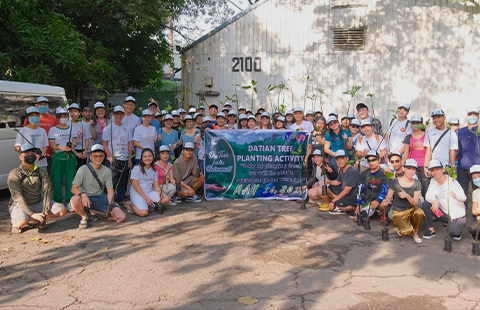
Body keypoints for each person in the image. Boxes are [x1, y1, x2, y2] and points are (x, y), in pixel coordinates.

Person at [8, 143, 67, 234]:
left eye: (32, 153)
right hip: (19, 205)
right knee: (23, 222)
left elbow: (47, 191)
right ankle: (17, 222)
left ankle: (37, 218)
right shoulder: (15, 173)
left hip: (37, 202)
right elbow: (17, 196)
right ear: (21, 157)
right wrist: (31, 213)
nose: (30, 155)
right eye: (26, 154)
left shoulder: (41, 171)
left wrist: (45, 210)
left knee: (62, 210)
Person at [70, 144, 126, 228]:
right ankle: (84, 216)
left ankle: (96, 211)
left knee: (122, 217)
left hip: (100, 196)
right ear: (91, 157)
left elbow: (110, 190)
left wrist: (110, 205)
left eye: (100, 156)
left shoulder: (107, 171)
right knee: (74, 200)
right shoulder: (83, 169)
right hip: (85, 197)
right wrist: (83, 194)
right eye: (95, 156)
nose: (98, 158)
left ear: (104, 157)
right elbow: (73, 189)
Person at [380, 158, 424, 243]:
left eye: (413, 169)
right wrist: (384, 202)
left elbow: (415, 202)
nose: (411, 171)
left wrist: (407, 195)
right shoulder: (395, 182)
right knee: (406, 232)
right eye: (409, 168)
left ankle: (416, 232)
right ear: (404, 168)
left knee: (420, 213)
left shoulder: (417, 183)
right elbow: (388, 198)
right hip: (399, 211)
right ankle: (405, 229)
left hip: (411, 208)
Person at [420, 160, 466, 240]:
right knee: (426, 204)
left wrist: (456, 195)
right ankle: (431, 229)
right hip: (444, 215)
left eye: (437, 169)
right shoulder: (433, 181)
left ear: (442, 169)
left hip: (457, 215)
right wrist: (434, 200)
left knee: (454, 234)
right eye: (432, 170)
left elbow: (463, 197)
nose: (435, 172)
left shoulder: (452, 181)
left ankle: (454, 227)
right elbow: (428, 196)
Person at [125, 148, 170, 216]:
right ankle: (131, 204)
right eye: (145, 156)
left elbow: (156, 185)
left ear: (153, 157)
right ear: (142, 158)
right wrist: (146, 199)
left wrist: (160, 193)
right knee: (144, 213)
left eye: (149, 156)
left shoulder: (154, 170)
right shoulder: (137, 168)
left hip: (148, 192)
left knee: (166, 199)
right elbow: (135, 185)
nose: (147, 158)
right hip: (137, 193)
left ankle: (147, 204)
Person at [102, 105, 133, 204]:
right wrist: (110, 156)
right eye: (117, 114)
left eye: (121, 114)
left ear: (123, 115)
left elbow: (129, 143)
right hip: (113, 158)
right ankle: (110, 200)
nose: (119, 116)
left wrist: (129, 158)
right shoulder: (108, 128)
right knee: (112, 180)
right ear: (113, 115)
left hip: (124, 157)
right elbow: (104, 143)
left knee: (123, 180)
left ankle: (120, 198)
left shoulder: (127, 128)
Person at [48, 107, 77, 205]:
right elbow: (52, 145)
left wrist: (71, 146)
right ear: (57, 117)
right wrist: (61, 148)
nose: (63, 118)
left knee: (71, 179)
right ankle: (57, 201)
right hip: (58, 157)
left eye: (65, 116)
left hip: (70, 156)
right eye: (61, 116)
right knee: (56, 179)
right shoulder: (53, 130)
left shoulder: (72, 128)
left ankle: (70, 201)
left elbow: (75, 142)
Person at [22, 96, 57, 174]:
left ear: (48, 106)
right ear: (36, 106)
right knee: (34, 176)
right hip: (34, 154)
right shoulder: (29, 119)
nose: (43, 106)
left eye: (45, 104)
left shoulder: (53, 119)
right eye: (40, 104)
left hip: (50, 153)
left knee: (50, 175)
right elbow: (25, 135)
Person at [356, 150, 390, 225]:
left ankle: (384, 217)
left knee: (383, 205)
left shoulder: (384, 172)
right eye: (369, 161)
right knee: (357, 218)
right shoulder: (364, 174)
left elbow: (385, 189)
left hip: (381, 200)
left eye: (374, 160)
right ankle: (374, 214)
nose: (371, 162)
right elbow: (359, 189)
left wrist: (378, 200)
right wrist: (359, 203)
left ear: (379, 160)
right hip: (369, 201)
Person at [457, 109, 480, 210]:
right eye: (470, 115)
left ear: (478, 118)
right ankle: (463, 216)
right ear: (467, 117)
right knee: (463, 193)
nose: (472, 117)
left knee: (477, 192)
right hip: (462, 166)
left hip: (477, 167)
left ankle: (477, 218)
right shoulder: (460, 131)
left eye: (475, 115)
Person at [424, 109, 458, 176]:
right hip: (433, 168)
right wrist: (426, 166)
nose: (436, 120)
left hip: (446, 168)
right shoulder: (429, 133)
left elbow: (452, 152)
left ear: (444, 118)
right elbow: (428, 151)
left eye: (438, 117)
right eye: (434, 118)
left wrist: (453, 167)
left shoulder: (451, 133)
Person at [403, 115, 429, 197]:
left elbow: (429, 152)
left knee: (426, 188)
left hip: (424, 166)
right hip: (412, 166)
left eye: (418, 123)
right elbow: (406, 154)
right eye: (413, 123)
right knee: (413, 189)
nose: (415, 125)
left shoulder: (427, 136)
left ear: (422, 124)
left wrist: (427, 166)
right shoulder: (408, 137)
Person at [328, 150, 359, 215]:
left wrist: (334, 200)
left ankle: (354, 208)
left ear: (347, 159)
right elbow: (338, 182)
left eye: (342, 159)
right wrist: (329, 182)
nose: (340, 161)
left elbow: (347, 190)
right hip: (345, 193)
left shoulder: (352, 171)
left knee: (337, 203)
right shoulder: (342, 169)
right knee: (328, 188)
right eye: (337, 160)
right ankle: (339, 204)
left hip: (353, 196)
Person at [68, 103, 91, 169]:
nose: (73, 113)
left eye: (75, 111)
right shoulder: (67, 124)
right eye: (71, 111)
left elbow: (87, 139)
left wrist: (86, 151)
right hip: (71, 151)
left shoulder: (84, 124)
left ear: (79, 113)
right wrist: (75, 153)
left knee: (82, 170)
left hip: (82, 151)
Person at [468, 165, 480, 240]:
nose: (477, 179)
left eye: (478, 176)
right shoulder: (475, 192)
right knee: (472, 228)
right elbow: (474, 211)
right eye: (474, 178)